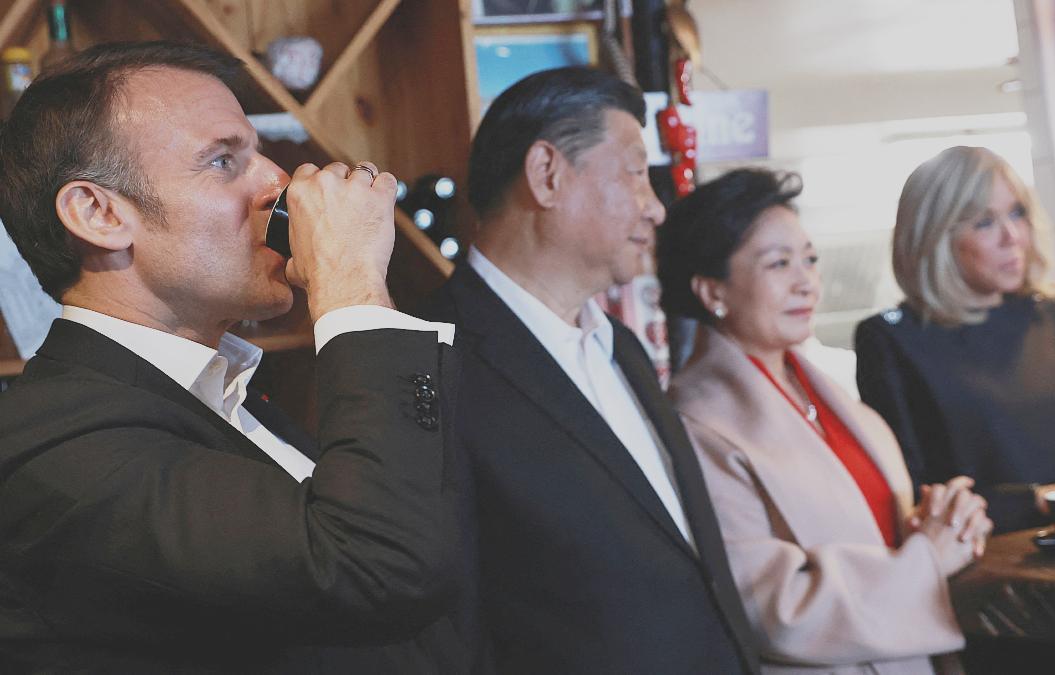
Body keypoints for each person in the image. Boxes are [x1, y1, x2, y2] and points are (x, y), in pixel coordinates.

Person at [0, 42, 460, 672]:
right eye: (222, 161)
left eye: (259, 152)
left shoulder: (229, 395)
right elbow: (374, 568)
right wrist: (350, 283)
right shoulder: (56, 445)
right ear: (98, 213)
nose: (278, 182)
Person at [419, 67, 760, 674]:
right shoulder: (432, 363)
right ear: (547, 174)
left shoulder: (620, 345)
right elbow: (449, 619)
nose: (655, 208)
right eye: (634, 172)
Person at [657, 167, 990, 675]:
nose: (806, 281)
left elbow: (876, 534)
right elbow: (774, 608)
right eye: (779, 263)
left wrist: (939, 523)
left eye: (809, 259)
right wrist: (927, 558)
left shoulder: (828, 394)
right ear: (712, 292)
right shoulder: (698, 424)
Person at [855, 146, 1055, 534]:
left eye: (1017, 212)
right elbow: (914, 499)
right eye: (984, 222)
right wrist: (1043, 498)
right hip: (990, 565)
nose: (1013, 236)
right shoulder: (892, 340)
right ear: (935, 237)